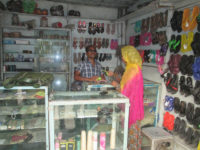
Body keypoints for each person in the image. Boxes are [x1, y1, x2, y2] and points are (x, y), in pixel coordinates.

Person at [120, 45, 144, 150]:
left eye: (123, 55)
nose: (122, 58)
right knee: (130, 134)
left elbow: (126, 91)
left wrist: (116, 85)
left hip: (132, 107)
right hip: (131, 106)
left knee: (131, 134)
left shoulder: (133, 70)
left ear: (129, 55)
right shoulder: (131, 68)